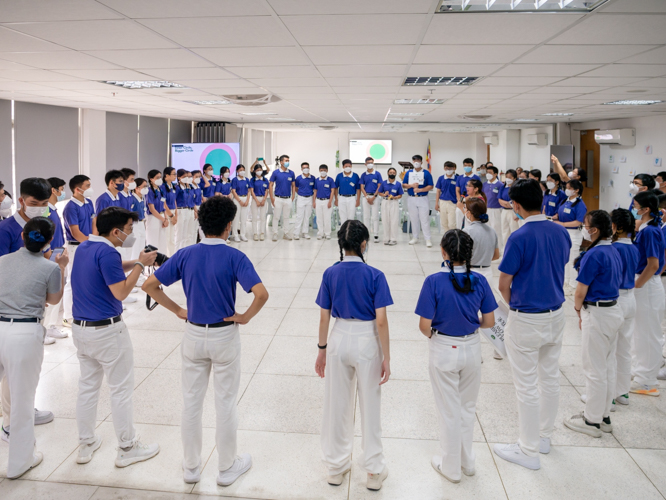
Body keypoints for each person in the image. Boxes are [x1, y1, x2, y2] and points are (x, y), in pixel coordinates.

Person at [143, 196, 269, 486]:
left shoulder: (186, 254)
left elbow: (150, 285)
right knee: (225, 403)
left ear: (200, 224)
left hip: (194, 333)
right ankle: (226, 469)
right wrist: (245, 317)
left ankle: (191, 468)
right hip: (224, 335)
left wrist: (177, 310)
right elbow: (261, 294)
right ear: (229, 226)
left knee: (191, 402)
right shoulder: (235, 256)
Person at [70, 206, 159, 467]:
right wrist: (141, 265)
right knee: (120, 390)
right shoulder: (108, 251)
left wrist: (136, 261)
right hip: (108, 332)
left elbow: (109, 267)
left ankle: (86, 443)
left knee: (87, 387)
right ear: (116, 231)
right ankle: (127, 447)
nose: (130, 235)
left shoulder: (86, 247)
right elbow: (120, 292)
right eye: (129, 230)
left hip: (81, 329)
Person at [493, 179, 571, 471]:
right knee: (549, 377)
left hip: (527, 316)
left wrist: (515, 305)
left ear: (515, 205)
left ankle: (527, 450)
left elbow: (504, 283)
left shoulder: (520, 236)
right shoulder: (560, 232)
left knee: (526, 384)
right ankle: (543, 438)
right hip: (556, 314)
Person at [315, 220, 392, 492]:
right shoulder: (375, 275)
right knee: (370, 404)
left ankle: (336, 468)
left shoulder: (330, 273)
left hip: (338, 338)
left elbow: (324, 316)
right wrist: (387, 357)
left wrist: (322, 349)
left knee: (337, 403)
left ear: (341, 245)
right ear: (363, 244)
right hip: (367, 339)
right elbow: (381, 321)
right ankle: (373, 471)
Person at [416, 229, 496, 483]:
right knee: (467, 408)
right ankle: (467, 462)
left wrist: (436, 337)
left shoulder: (433, 281)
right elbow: (490, 321)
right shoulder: (480, 280)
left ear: (443, 252)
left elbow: (424, 326)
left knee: (448, 410)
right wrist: (471, 325)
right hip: (472, 348)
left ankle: (450, 467)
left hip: (444, 348)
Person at [0, 217, 68, 478]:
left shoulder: (2, 262)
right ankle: (20, 462)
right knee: (22, 400)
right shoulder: (48, 268)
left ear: (21, 235)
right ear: (50, 242)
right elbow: (52, 300)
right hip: (25, 334)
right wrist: (61, 267)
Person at [564, 210, 623, 437]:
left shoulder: (593, 255)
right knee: (607, 366)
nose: (583, 229)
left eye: (585, 225)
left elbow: (580, 291)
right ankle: (604, 415)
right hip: (613, 310)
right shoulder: (613, 250)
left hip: (597, 314)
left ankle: (591, 420)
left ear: (594, 230)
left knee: (594, 368)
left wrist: (578, 311)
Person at [630, 190, 666, 396]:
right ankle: (641, 373)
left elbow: (653, 265)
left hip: (646, 286)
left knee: (649, 333)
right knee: (640, 332)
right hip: (644, 284)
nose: (633, 209)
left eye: (636, 206)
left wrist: (637, 285)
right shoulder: (644, 229)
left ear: (646, 210)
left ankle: (647, 382)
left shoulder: (651, 231)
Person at [609, 209, 640, 408]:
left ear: (618, 227)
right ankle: (622, 392)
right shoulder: (634, 248)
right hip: (630, 299)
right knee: (624, 348)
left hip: (616, 299)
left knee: (609, 348)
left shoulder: (614, 249)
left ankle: (608, 396)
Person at [62, 175, 95, 327]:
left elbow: (94, 222)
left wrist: (95, 240)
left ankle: (84, 310)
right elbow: (75, 232)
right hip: (75, 246)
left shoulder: (88, 202)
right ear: (77, 189)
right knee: (72, 280)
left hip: (88, 243)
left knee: (86, 278)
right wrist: (91, 243)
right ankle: (68, 316)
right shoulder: (70, 207)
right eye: (87, 186)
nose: (90, 188)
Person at [42, 177, 68, 344]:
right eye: (61, 189)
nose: (62, 192)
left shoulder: (53, 209)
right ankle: (43, 328)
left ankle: (51, 325)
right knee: (49, 292)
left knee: (57, 289)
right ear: (53, 190)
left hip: (58, 252)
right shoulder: (45, 211)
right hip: (49, 254)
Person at [0, 177, 51, 257]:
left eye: (44, 203)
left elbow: (47, 255)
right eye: (34, 204)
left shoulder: (41, 225)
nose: (39, 208)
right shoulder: (4, 229)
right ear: (21, 201)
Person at [553, 180, 587, 293]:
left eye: (569, 188)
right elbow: (560, 213)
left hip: (573, 233)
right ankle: (566, 281)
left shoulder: (580, 204)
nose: (566, 190)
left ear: (576, 190)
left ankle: (574, 284)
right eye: (566, 187)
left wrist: (562, 224)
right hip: (562, 232)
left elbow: (578, 222)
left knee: (572, 258)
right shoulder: (565, 201)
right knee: (564, 258)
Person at [403, 154, 434, 247]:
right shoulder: (409, 173)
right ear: (413, 162)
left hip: (423, 198)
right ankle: (415, 237)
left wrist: (420, 190)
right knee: (414, 219)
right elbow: (404, 184)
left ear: (421, 162)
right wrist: (411, 186)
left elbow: (431, 186)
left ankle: (427, 239)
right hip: (411, 198)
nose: (416, 163)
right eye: (415, 161)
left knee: (424, 219)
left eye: (418, 161)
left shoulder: (426, 173)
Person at [269, 155, 296, 241]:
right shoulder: (276, 173)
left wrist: (293, 196)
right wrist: (272, 197)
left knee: (286, 217)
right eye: (286, 160)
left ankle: (286, 233)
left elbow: (293, 185)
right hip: (278, 198)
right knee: (276, 216)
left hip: (288, 198)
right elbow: (271, 185)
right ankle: (275, 233)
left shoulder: (291, 173)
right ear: (281, 162)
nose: (288, 162)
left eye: (288, 160)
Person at [377, 167, 403, 246]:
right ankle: (386, 238)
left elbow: (400, 195)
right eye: (390, 172)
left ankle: (393, 239)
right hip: (385, 202)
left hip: (394, 202)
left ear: (395, 174)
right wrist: (384, 194)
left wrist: (396, 197)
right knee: (385, 220)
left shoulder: (398, 184)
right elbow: (379, 192)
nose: (392, 174)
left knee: (394, 221)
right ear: (388, 173)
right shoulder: (384, 183)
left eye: (393, 173)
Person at [360, 157, 382, 243]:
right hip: (366, 198)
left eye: (371, 162)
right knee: (366, 217)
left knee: (375, 217)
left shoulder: (377, 174)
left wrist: (373, 197)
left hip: (375, 198)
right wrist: (367, 197)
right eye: (368, 162)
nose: (370, 164)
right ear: (365, 164)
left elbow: (379, 186)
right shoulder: (363, 175)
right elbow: (362, 187)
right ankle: (366, 235)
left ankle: (376, 234)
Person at [145, 170, 169, 253]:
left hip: (162, 217)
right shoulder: (149, 191)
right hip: (153, 217)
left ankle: (161, 261)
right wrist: (163, 219)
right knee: (153, 240)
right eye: (157, 178)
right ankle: (151, 262)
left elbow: (163, 206)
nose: (160, 179)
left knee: (162, 241)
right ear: (151, 179)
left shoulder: (160, 190)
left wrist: (166, 218)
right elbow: (152, 209)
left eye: (160, 177)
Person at [455, 158, 480, 229]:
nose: (467, 167)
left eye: (469, 165)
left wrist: (468, 199)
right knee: (459, 220)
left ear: (472, 166)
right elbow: (457, 190)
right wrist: (460, 200)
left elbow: (478, 191)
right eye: (465, 165)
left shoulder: (476, 178)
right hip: (461, 202)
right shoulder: (459, 177)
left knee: (470, 220)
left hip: (472, 202)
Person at [335, 159, 360, 227]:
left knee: (351, 217)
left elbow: (358, 189)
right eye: (346, 166)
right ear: (343, 167)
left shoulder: (355, 176)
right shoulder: (339, 176)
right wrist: (336, 199)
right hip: (341, 198)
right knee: (342, 217)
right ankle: (343, 233)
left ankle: (350, 233)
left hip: (352, 198)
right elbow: (335, 188)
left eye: (349, 166)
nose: (348, 167)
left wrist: (358, 199)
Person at [483, 166, 503, 248]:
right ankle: (488, 247)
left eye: (490, 173)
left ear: (495, 174)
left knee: (496, 229)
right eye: (487, 172)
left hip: (496, 210)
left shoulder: (500, 185)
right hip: (486, 209)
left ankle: (498, 248)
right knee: (486, 229)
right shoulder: (484, 184)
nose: (488, 174)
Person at [435, 161, 458, 234]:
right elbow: (438, 191)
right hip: (442, 202)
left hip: (453, 203)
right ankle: (446, 239)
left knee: (452, 224)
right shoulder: (441, 178)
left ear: (454, 168)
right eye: (447, 168)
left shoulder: (457, 178)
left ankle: (453, 239)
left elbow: (459, 191)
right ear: (444, 168)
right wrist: (436, 203)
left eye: (450, 168)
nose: (448, 170)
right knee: (444, 223)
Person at [294, 162, 315, 240]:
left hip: (310, 198)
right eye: (304, 168)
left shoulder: (313, 178)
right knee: (299, 216)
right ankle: (296, 233)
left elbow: (314, 188)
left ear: (309, 168)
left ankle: (305, 232)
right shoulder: (298, 178)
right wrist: (301, 193)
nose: (306, 169)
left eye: (307, 168)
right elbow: (296, 188)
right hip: (301, 198)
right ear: (301, 169)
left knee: (307, 216)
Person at [229, 165, 250, 243]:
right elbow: (233, 191)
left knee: (244, 219)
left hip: (245, 199)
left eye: (243, 170)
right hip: (237, 199)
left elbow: (249, 190)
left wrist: (247, 200)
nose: (242, 171)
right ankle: (235, 235)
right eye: (240, 170)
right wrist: (240, 201)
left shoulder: (247, 179)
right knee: (236, 218)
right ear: (237, 171)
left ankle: (243, 234)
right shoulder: (235, 180)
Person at [175, 169, 195, 250]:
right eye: (184, 177)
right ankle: (177, 251)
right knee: (180, 233)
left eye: (187, 176)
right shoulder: (177, 187)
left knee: (188, 233)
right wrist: (176, 213)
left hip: (189, 210)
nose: (186, 178)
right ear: (179, 178)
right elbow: (174, 200)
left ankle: (186, 249)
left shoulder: (189, 187)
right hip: (180, 210)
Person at [314, 164, 335, 240]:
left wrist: (330, 201)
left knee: (327, 218)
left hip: (327, 201)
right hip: (318, 200)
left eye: (324, 170)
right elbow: (315, 191)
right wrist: (314, 201)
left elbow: (332, 191)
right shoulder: (317, 180)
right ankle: (320, 233)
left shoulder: (330, 180)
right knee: (319, 218)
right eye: (321, 170)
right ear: (319, 171)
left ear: (327, 171)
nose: (323, 172)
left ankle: (327, 233)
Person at [498, 169, 518, 249]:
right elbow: (499, 199)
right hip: (504, 211)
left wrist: (509, 204)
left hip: (513, 212)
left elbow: (515, 201)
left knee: (513, 231)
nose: (507, 179)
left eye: (510, 177)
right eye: (506, 177)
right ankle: (505, 250)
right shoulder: (503, 187)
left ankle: (514, 250)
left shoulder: (516, 188)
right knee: (504, 231)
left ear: (514, 178)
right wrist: (506, 203)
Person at [129, 177, 148, 260]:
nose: (146, 188)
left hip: (141, 223)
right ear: (137, 188)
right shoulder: (132, 199)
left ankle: (140, 266)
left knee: (141, 245)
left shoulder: (142, 198)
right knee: (135, 246)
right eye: (144, 186)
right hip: (135, 224)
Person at [249, 164, 269, 241]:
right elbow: (252, 191)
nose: (259, 171)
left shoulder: (265, 180)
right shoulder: (252, 180)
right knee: (254, 217)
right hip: (255, 199)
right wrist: (257, 200)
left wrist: (264, 199)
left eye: (260, 170)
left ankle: (262, 233)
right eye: (257, 170)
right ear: (254, 171)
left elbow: (266, 191)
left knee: (262, 217)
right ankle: (255, 234)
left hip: (263, 198)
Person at [161, 167, 178, 256]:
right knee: (167, 237)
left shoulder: (173, 186)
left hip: (173, 212)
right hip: (167, 213)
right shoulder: (162, 187)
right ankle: (166, 256)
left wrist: (176, 214)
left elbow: (174, 201)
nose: (175, 176)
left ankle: (172, 255)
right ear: (166, 176)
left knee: (172, 237)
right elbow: (164, 203)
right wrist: (171, 216)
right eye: (174, 174)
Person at [191, 170, 202, 245]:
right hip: (194, 208)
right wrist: (195, 210)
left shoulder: (198, 186)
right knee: (192, 228)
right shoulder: (191, 187)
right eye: (196, 177)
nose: (198, 178)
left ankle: (195, 243)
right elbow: (192, 199)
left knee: (197, 228)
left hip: (199, 206)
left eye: (199, 177)